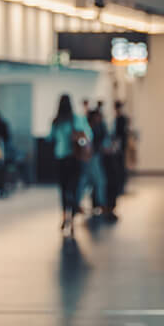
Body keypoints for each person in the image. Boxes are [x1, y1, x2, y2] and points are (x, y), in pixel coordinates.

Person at [50, 94, 89, 235]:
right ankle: (71, 218)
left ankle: (63, 217)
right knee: (73, 188)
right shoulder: (77, 120)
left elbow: (50, 138)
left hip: (60, 158)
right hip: (74, 158)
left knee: (63, 189)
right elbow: (87, 135)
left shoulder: (56, 122)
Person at [84, 101, 112, 218]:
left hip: (94, 156)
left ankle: (96, 204)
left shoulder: (99, 127)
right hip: (91, 157)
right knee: (98, 181)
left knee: (90, 182)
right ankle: (101, 204)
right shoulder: (89, 128)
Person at [105, 101, 131, 207]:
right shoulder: (116, 118)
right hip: (117, 146)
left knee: (120, 166)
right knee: (118, 166)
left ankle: (121, 187)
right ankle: (120, 187)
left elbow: (120, 134)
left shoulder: (122, 119)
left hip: (120, 146)